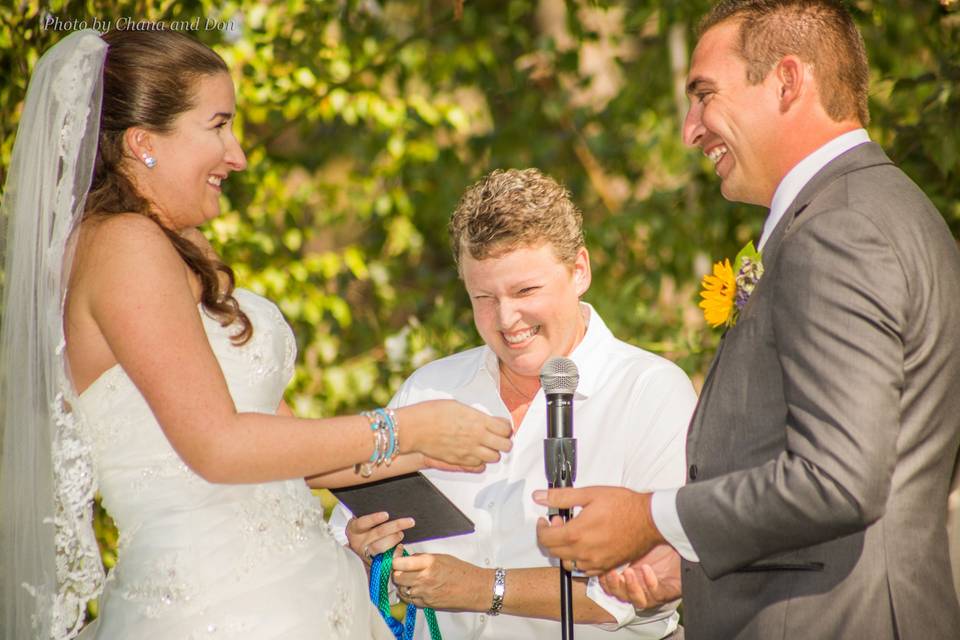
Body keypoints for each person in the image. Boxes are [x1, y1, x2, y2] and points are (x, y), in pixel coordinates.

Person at [0, 29, 513, 640]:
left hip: (303, 587)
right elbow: (217, 447)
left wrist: (418, 453)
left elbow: (281, 443)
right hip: (220, 610)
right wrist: (400, 426)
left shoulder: (174, 246)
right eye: (217, 125)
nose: (237, 154)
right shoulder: (124, 247)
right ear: (143, 143)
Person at [535, 1, 960, 638]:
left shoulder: (838, 230)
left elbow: (838, 480)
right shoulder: (885, 208)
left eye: (704, 94)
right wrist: (697, 559)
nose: (690, 129)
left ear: (788, 80)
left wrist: (652, 517)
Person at [329, 168, 698, 639]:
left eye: (526, 291)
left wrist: (483, 588)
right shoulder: (429, 388)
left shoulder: (651, 390)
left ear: (579, 270)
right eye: (484, 297)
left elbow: (652, 584)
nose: (505, 319)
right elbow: (341, 551)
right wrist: (364, 556)